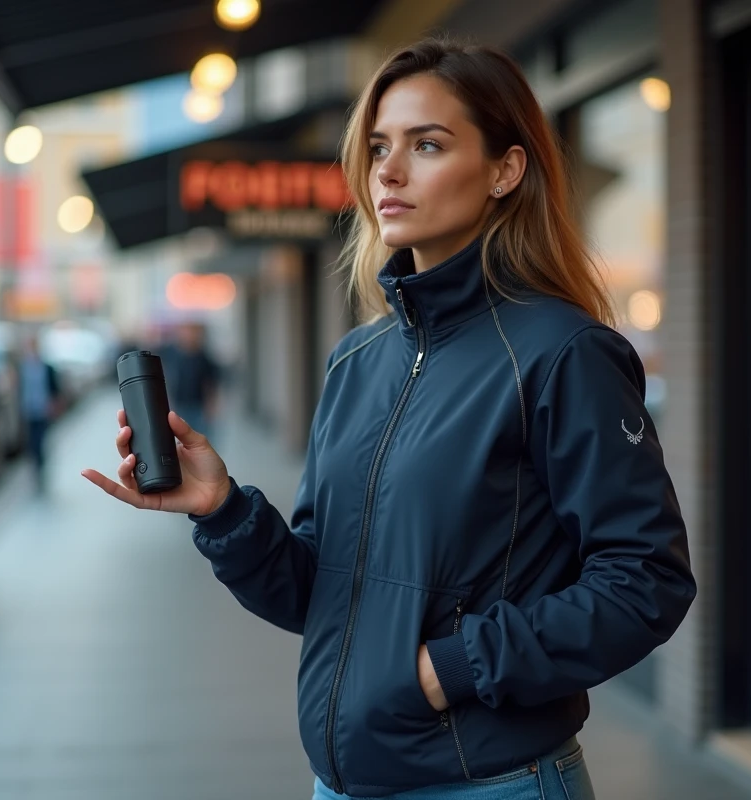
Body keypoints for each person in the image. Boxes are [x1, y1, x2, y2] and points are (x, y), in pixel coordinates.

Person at [83, 38, 696, 800]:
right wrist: (224, 511)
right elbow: (321, 593)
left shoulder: (561, 353)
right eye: (378, 148)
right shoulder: (357, 362)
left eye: (427, 145)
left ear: (506, 170)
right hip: (341, 786)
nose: (389, 172)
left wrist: (450, 668)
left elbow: (646, 582)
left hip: (489, 786)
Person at [17, 334, 62, 494]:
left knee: (41, 442)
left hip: (42, 411)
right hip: (28, 411)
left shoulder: (46, 367)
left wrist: (54, 405)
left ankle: (41, 469)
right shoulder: (22, 368)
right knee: (31, 444)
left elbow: (54, 388)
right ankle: (34, 469)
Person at [162, 323, 221, 441]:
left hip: (198, 406)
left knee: (201, 437)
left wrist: (210, 407)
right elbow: (168, 380)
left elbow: (210, 384)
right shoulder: (173, 355)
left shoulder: (204, 358)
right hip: (179, 405)